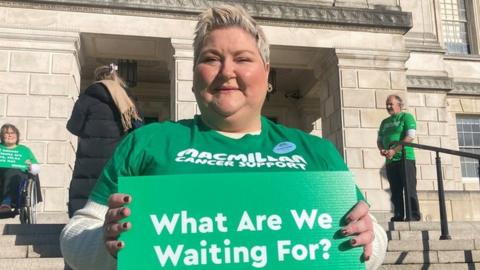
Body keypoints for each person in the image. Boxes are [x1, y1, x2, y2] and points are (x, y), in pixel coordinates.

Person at [60, 5, 387, 270]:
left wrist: (368, 240)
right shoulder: (147, 142)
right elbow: (75, 236)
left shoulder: (316, 151)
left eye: (243, 59)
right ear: (194, 77)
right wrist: (108, 247)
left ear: (267, 74)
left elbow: (370, 237)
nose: (227, 71)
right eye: (211, 59)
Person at [66, 64, 143, 217]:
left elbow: (73, 126)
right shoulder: (126, 99)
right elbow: (138, 128)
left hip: (89, 155)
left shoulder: (87, 97)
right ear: (116, 78)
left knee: (87, 188)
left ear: (96, 79)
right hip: (117, 154)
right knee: (114, 188)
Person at [378, 95, 421, 222]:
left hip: (405, 158)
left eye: (391, 104)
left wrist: (394, 150)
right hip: (391, 160)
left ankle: (413, 214)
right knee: (395, 189)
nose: (388, 106)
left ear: (399, 104)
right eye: (387, 104)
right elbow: (379, 140)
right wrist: (382, 149)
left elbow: (410, 136)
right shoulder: (384, 122)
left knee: (409, 187)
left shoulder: (406, 117)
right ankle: (398, 214)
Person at [0, 124, 40, 213]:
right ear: (2, 136)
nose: (10, 135)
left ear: (17, 135)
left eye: (12, 133)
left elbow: (36, 168)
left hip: (17, 177)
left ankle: (6, 202)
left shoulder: (24, 150)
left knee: (12, 172)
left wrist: (31, 167)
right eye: (6, 133)